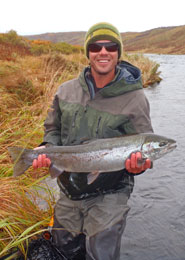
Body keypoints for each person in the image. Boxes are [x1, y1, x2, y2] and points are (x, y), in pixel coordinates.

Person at [32, 22, 153, 260]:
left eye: (111, 47)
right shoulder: (65, 91)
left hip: (112, 192)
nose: (103, 52)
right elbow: (53, 129)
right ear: (88, 53)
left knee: (101, 255)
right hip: (69, 188)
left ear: (118, 53)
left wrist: (139, 167)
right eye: (96, 47)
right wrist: (47, 148)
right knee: (63, 250)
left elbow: (144, 143)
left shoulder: (135, 98)